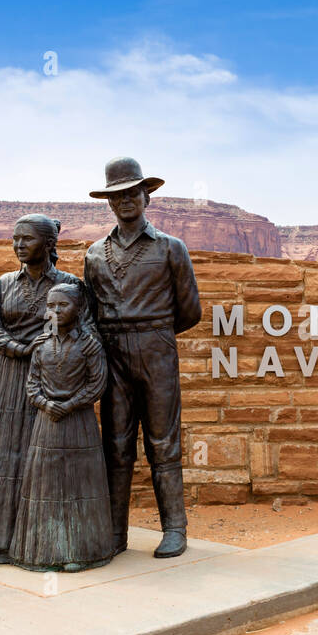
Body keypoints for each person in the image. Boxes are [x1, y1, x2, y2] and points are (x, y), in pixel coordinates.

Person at [83, 156, 201, 559]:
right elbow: (91, 310)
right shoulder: (94, 253)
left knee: (163, 442)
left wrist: (154, 335)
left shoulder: (171, 248)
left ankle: (174, 529)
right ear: (109, 202)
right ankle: (116, 533)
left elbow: (190, 311)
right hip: (112, 354)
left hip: (156, 351)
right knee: (114, 445)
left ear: (146, 195)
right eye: (117, 195)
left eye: (132, 192)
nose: (125, 200)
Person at [0, 215, 87, 564]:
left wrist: (45, 353)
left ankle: (46, 546)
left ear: (48, 244)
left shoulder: (70, 284)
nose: (18, 245)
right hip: (7, 378)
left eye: (26, 239)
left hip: (50, 378)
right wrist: (20, 349)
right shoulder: (4, 283)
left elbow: (84, 333)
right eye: (15, 239)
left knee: (43, 459)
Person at [10, 284, 113, 572]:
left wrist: (69, 405)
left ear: (78, 309)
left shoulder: (90, 345)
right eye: (51, 306)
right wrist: (45, 403)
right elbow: (32, 384)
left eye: (62, 305)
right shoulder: (41, 344)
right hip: (47, 425)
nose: (55, 311)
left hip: (79, 424)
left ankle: (81, 551)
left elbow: (97, 384)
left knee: (78, 485)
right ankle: (41, 551)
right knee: (46, 484)